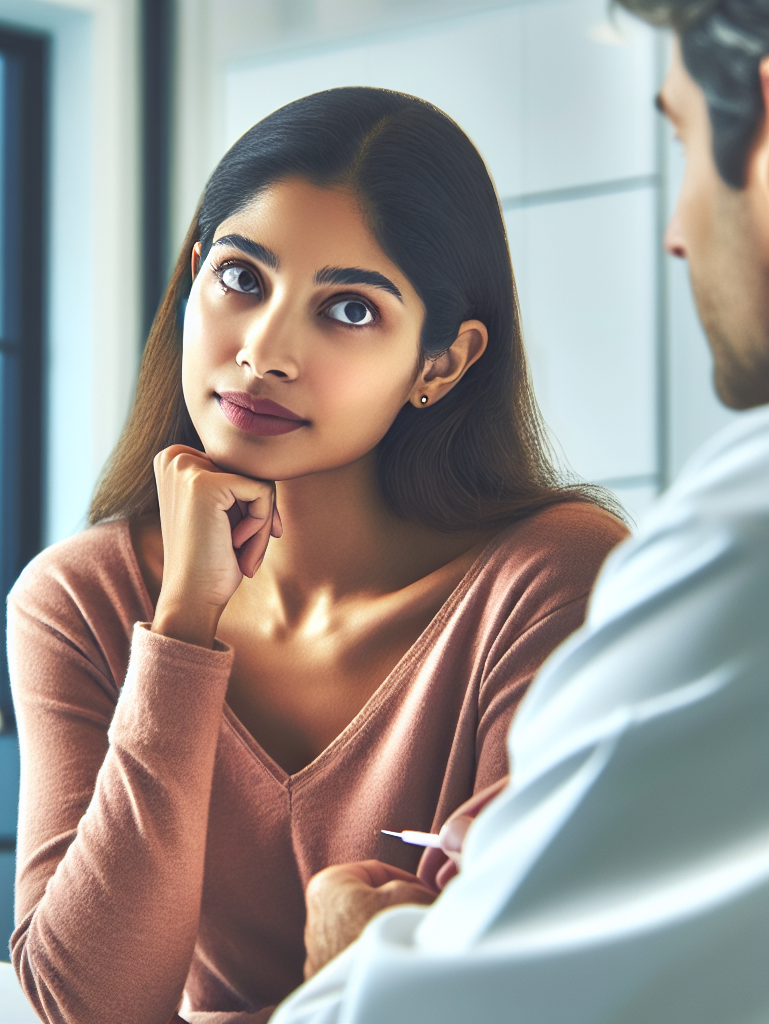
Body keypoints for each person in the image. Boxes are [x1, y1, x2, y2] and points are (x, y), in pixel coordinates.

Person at [7, 87, 627, 1024]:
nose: (264, 352)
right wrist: (179, 630)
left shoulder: (549, 581)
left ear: (442, 364)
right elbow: (87, 1008)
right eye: (243, 280)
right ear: (193, 277)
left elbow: (520, 988)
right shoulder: (81, 598)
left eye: (347, 308)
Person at [272, 3, 769, 1022]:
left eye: (678, 139)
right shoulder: (87, 586)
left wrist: (357, 956)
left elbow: (467, 999)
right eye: (239, 276)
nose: (675, 236)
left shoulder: (672, 545)